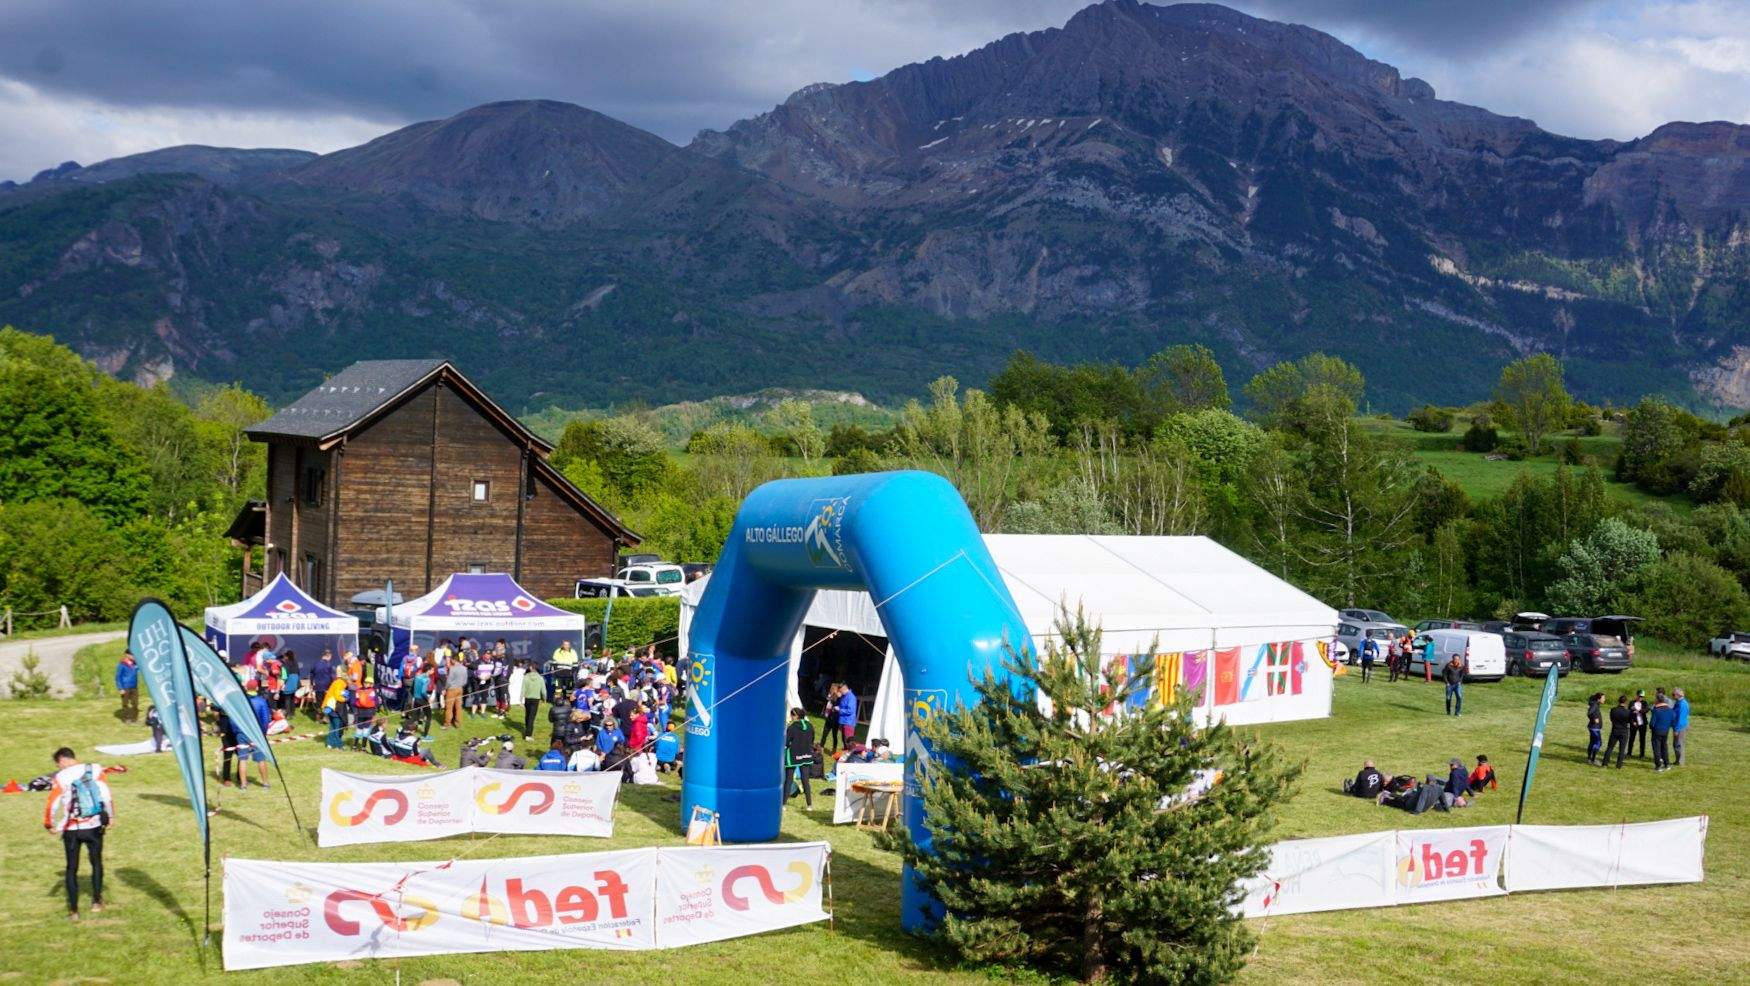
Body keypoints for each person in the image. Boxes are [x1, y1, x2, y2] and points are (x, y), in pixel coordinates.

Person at [43, 747, 113, 921]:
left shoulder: (61, 777)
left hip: (71, 829)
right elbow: (106, 795)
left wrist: (49, 823)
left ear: (63, 760)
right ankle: (96, 902)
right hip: (94, 826)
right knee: (96, 862)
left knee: (71, 868)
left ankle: (74, 911)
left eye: (58, 764)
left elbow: (53, 803)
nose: (59, 767)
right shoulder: (95, 769)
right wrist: (111, 817)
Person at [784, 708, 817, 808]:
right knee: (805, 780)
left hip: (793, 756)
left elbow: (786, 742)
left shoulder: (792, 728)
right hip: (806, 755)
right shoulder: (810, 726)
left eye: (791, 715)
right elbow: (812, 739)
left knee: (789, 780)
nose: (791, 717)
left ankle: (783, 805)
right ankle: (809, 805)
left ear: (796, 716)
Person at [1650, 690, 1676, 772]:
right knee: (1664, 747)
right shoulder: (1670, 710)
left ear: (1658, 700)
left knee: (1657, 748)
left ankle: (1658, 766)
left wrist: (1652, 728)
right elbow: (1672, 721)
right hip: (1666, 731)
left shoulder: (1656, 710)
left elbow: (1652, 723)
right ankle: (1667, 764)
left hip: (1657, 731)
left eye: (1655, 699)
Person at [1604, 694, 1632, 768]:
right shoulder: (1628, 712)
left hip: (1615, 730)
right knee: (1622, 749)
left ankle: (1605, 763)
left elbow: (1611, 719)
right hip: (1624, 731)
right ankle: (1618, 765)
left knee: (1610, 747)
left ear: (1618, 701)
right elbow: (1630, 721)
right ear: (1626, 702)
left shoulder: (1613, 710)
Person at [309, 650, 337, 722]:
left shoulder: (315, 664)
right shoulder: (329, 665)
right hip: (327, 687)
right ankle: (326, 717)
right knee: (327, 702)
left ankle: (318, 719)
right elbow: (333, 677)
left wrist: (311, 684)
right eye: (330, 657)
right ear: (328, 656)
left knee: (318, 703)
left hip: (318, 686)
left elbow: (311, 675)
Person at [519, 661, 545, 738]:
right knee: (531, 717)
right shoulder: (540, 678)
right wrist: (544, 698)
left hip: (527, 699)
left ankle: (527, 729)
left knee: (527, 715)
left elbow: (523, 689)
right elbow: (543, 690)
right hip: (535, 699)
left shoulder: (526, 677)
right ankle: (528, 735)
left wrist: (520, 699)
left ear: (530, 668)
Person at [443, 652, 468, 728]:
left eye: (451, 659)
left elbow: (449, 681)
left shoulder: (452, 669)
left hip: (451, 689)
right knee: (458, 707)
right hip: (460, 689)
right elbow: (465, 681)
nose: (450, 661)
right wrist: (460, 685)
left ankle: (447, 723)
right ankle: (457, 723)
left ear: (454, 660)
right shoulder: (464, 668)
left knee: (449, 707)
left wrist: (445, 689)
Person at [113, 651, 139, 723]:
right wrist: (120, 688)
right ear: (127, 655)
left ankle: (134, 718)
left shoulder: (135, 664)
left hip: (134, 686)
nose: (134, 656)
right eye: (132, 655)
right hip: (125, 687)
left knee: (135, 703)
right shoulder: (122, 664)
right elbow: (118, 677)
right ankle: (125, 718)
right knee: (125, 703)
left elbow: (140, 669)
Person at [821, 684, 842, 754]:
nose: (831, 690)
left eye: (832, 689)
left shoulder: (839, 698)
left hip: (835, 720)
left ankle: (834, 749)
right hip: (829, 718)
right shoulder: (830, 697)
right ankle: (821, 747)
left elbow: (839, 707)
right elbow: (827, 704)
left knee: (834, 735)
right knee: (824, 734)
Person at [836, 683, 858, 747]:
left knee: (848, 742)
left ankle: (850, 752)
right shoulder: (845, 696)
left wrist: (839, 710)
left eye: (840, 691)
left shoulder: (851, 697)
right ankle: (846, 751)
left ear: (844, 689)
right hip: (844, 721)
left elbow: (850, 710)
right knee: (844, 741)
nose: (840, 693)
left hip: (848, 723)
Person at [1629, 690, 1650, 759]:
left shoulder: (1645, 703)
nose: (1641, 698)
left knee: (1642, 739)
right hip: (1634, 723)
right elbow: (1630, 713)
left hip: (1642, 723)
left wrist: (1638, 710)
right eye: (1640, 696)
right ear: (1637, 695)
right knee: (1631, 738)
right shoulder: (1632, 702)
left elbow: (1646, 710)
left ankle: (1642, 754)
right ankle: (1629, 752)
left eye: (1642, 697)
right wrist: (1632, 722)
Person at [1586, 693, 1605, 765]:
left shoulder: (1595, 704)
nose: (1604, 699)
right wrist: (1594, 719)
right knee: (1598, 743)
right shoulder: (1594, 705)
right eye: (1603, 698)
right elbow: (1589, 713)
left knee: (1592, 742)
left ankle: (1589, 759)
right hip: (1594, 728)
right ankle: (1593, 760)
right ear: (1598, 699)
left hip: (1593, 727)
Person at [1673, 688, 1690, 766]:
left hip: (1680, 726)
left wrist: (1676, 729)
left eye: (1673, 694)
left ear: (1678, 695)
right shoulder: (1679, 702)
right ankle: (1678, 760)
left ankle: (1680, 761)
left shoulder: (1682, 704)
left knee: (1679, 744)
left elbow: (1681, 718)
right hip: (1680, 725)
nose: (1672, 696)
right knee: (1676, 744)